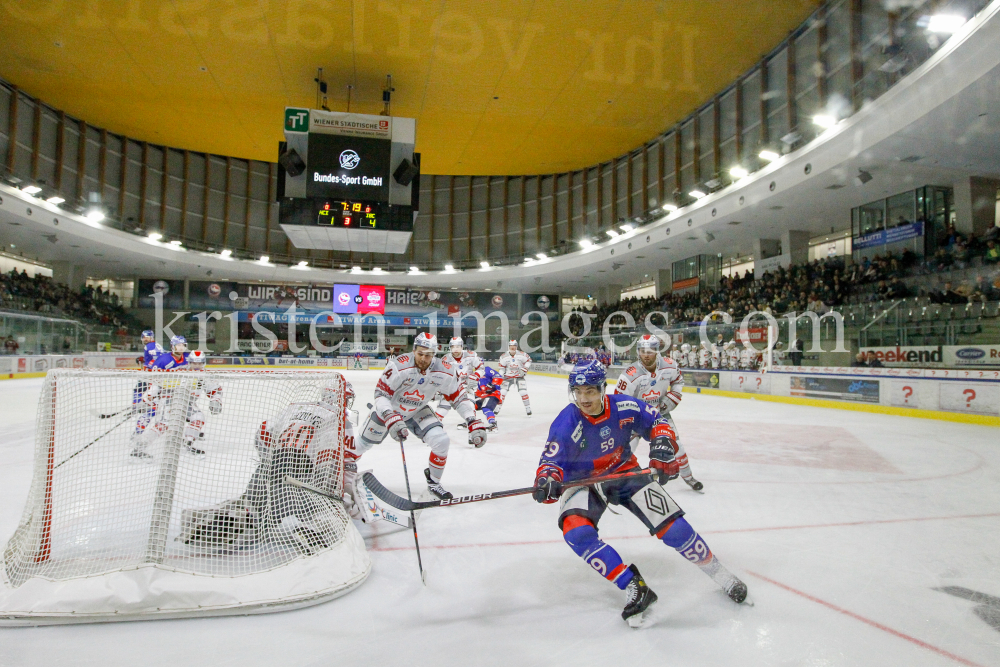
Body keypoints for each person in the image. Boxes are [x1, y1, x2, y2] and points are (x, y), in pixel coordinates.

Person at [533, 360, 748, 627]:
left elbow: (657, 420)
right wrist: (547, 480)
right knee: (576, 532)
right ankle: (634, 585)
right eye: (578, 392)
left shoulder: (624, 406)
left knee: (675, 528)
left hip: (625, 472)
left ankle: (721, 574)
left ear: (602, 388)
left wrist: (661, 443)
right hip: (584, 481)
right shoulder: (566, 421)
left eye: (590, 391)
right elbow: (550, 462)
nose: (583, 398)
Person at [178, 380, 349, 554]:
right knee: (327, 512)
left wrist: (269, 462)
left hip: (270, 463)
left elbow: (263, 433)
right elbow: (327, 460)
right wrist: (330, 491)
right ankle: (312, 532)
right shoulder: (337, 418)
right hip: (299, 475)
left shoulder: (296, 407)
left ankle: (210, 516)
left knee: (251, 510)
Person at [355, 333, 487, 500]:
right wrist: (390, 416)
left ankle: (434, 483)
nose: (424, 359)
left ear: (435, 354)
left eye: (428, 355)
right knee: (361, 445)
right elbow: (381, 394)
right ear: (414, 350)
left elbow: (458, 397)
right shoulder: (398, 365)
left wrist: (472, 420)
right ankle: (341, 472)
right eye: (420, 354)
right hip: (390, 409)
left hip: (417, 409)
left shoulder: (445, 370)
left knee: (441, 440)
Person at [614, 335, 702, 491]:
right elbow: (619, 400)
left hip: (659, 415)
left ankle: (689, 477)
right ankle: (615, 481)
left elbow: (678, 381)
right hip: (636, 416)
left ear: (657, 351)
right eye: (642, 351)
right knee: (624, 450)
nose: (646, 355)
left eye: (650, 351)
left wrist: (671, 398)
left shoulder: (669, 365)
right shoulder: (630, 374)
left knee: (677, 446)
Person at [434, 337, 481, 419]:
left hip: (467, 386)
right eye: (453, 347)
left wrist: (475, 376)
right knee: (443, 407)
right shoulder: (445, 359)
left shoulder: (471, 355)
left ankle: (472, 422)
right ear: (450, 347)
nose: (455, 349)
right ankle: (435, 423)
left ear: (462, 347)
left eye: (458, 346)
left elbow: (480, 367)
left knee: (470, 405)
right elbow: (440, 375)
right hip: (451, 387)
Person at [497, 339, 532, 416]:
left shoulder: (522, 354)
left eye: (514, 346)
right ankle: (498, 407)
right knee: (502, 392)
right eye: (511, 346)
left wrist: (525, 368)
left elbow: (529, 360)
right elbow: (502, 368)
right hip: (507, 377)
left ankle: (528, 408)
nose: (513, 347)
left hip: (519, 377)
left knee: (523, 392)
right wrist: (500, 376)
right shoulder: (503, 356)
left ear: (517, 346)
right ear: (509, 346)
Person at [474, 365, 504, 432]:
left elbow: (498, 376)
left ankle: (493, 424)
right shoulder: (474, 373)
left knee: (486, 408)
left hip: (492, 394)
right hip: (481, 395)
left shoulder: (487, 369)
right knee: (470, 406)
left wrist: (493, 385)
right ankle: (471, 421)